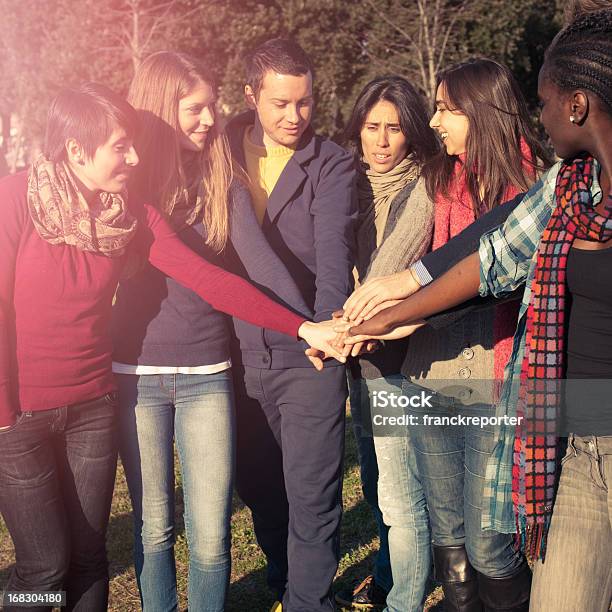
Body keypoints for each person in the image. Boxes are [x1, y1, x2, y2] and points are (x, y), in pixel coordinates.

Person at [0, 82, 344, 612]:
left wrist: (303, 327)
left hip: (92, 406)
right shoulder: (15, 198)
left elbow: (210, 279)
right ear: (76, 150)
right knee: (43, 567)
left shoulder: (128, 213)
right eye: (120, 146)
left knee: (91, 554)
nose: (133, 157)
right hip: (19, 417)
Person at [344, 10, 612, 612]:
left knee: (493, 547)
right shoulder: (562, 190)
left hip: (501, 389)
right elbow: (482, 252)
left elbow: (490, 270)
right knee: (467, 547)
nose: (431, 120)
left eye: (446, 108)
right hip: (511, 410)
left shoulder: (536, 178)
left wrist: (401, 311)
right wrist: (385, 309)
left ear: (575, 105)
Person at [111, 51, 338, 612]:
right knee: (156, 527)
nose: (211, 120)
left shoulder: (219, 174)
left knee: (211, 536)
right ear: (162, 110)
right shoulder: (126, 183)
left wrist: (308, 326)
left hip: (210, 366)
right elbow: (194, 275)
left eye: (213, 107)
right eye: (196, 109)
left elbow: (255, 262)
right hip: (137, 368)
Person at [224, 38, 357, 612]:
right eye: (280, 103)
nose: (294, 117)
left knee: (313, 494)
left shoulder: (331, 162)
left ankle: (309, 601)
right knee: (258, 486)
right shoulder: (220, 151)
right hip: (234, 354)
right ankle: (283, 579)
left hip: (309, 353)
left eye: (304, 103)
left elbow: (333, 255)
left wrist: (323, 331)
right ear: (250, 95)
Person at [334, 76, 439, 612]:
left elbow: (390, 276)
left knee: (402, 493)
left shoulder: (423, 188)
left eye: (393, 129)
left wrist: (346, 323)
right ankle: (387, 573)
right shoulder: (350, 187)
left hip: (401, 357)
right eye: (372, 127)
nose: (381, 140)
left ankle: (400, 592)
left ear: (411, 132)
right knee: (376, 480)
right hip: (361, 359)